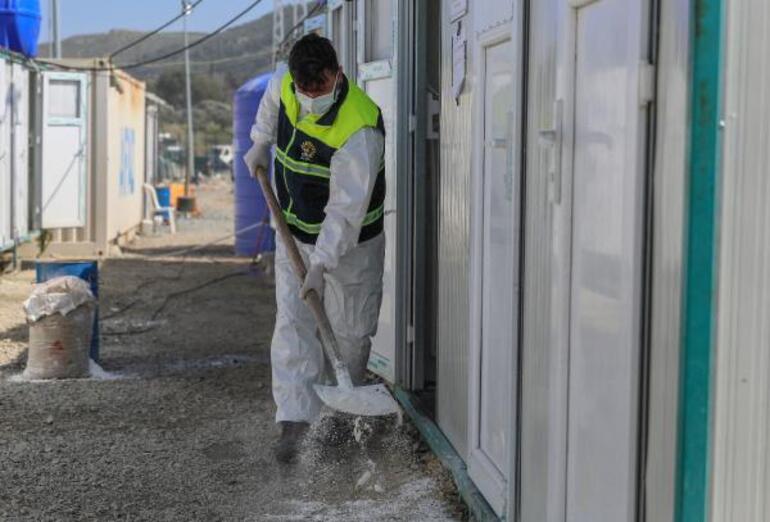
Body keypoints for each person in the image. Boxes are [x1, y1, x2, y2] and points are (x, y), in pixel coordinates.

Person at [244, 34, 386, 463]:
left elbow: (345, 213)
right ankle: (294, 421)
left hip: (352, 248)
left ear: (336, 74)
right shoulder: (283, 85)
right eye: (306, 90)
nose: (311, 98)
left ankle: (342, 418)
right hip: (293, 235)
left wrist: (321, 265)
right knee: (293, 326)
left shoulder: (359, 127)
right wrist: (259, 142)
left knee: (349, 333)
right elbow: (270, 110)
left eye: (320, 88)